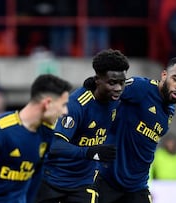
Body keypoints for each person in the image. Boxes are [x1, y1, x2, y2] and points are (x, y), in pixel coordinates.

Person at [34, 49, 130, 203]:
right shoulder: (76, 104)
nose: (118, 88)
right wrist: (90, 152)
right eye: (112, 83)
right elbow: (55, 145)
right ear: (98, 79)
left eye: (122, 82)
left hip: (84, 182)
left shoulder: (119, 96)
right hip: (53, 180)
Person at [94, 57, 176, 203]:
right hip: (109, 181)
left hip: (137, 188)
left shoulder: (169, 111)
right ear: (164, 75)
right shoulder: (140, 88)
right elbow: (103, 93)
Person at [0, 74, 72, 203]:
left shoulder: (47, 135)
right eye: (63, 104)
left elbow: (36, 177)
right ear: (47, 103)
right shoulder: (1, 128)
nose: (65, 111)